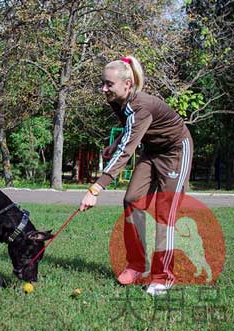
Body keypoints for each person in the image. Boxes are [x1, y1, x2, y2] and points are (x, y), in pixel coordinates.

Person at [79, 56, 193, 296]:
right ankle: (137, 265)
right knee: (132, 200)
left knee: (165, 213)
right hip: (152, 152)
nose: (103, 89)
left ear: (127, 84)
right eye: (103, 83)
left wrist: (96, 189)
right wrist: (117, 141)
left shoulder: (141, 105)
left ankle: (163, 277)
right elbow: (131, 130)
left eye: (108, 84)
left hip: (175, 152)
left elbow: (126, 152)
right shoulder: (118, 102)